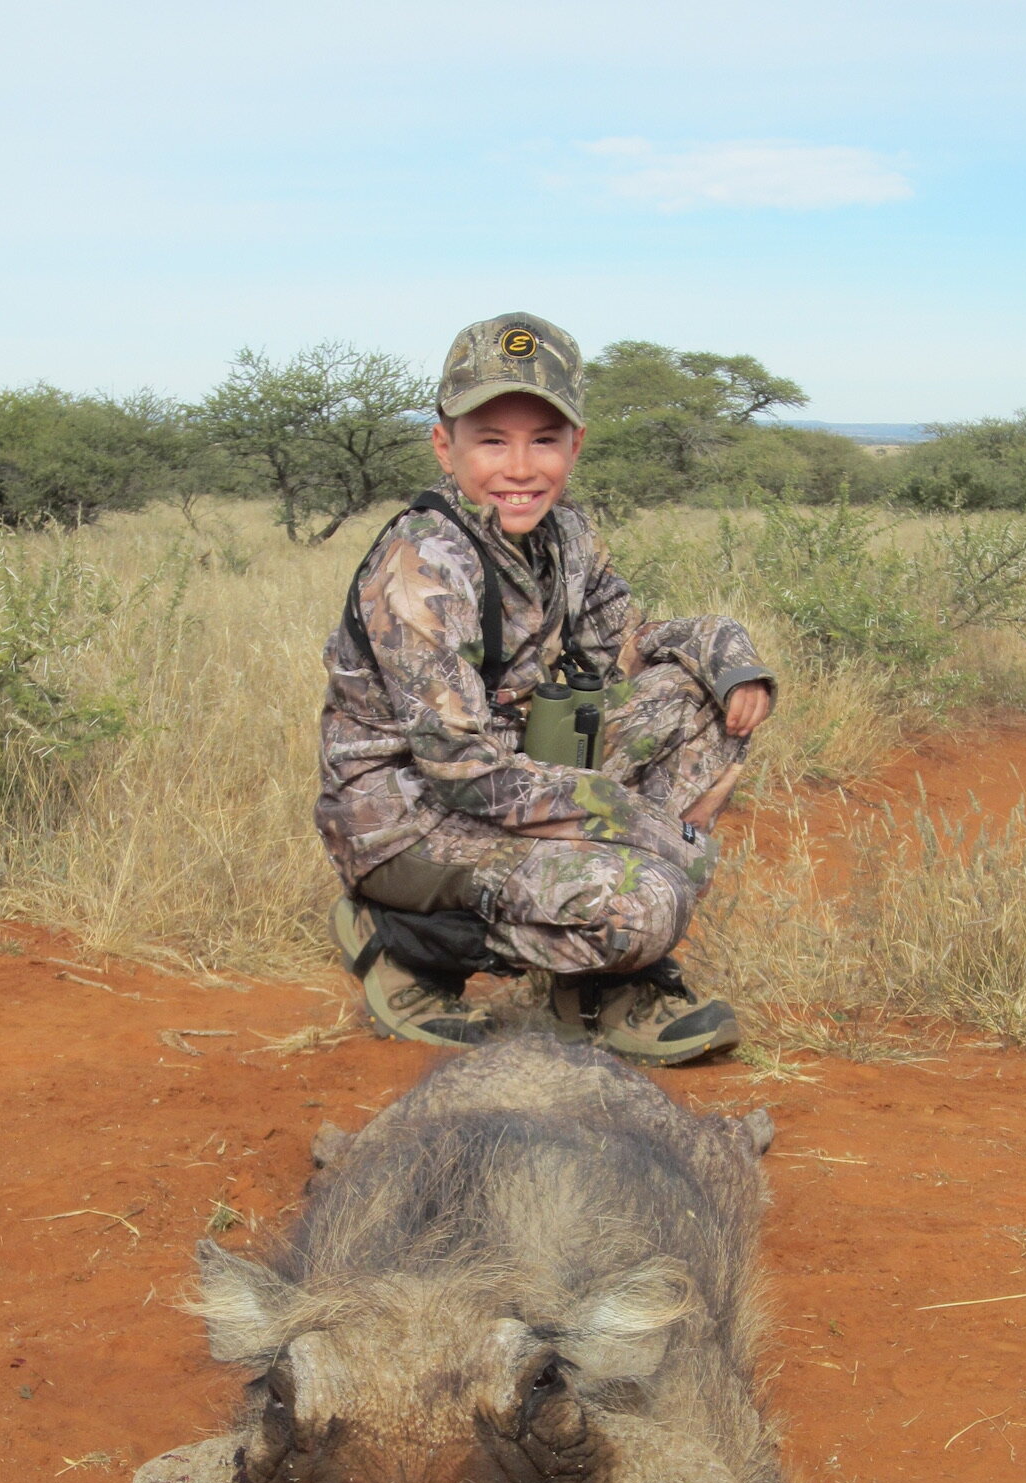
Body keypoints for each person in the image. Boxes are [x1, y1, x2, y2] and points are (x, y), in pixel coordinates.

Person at [315, 311, 775, 1063]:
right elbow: (462, 772)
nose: (520, 467)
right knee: (646, 901)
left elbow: (627, 639)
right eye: (491, 440)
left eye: (544, 440)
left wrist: (729, 657)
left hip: (511, 778)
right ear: (445, 444)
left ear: (576, 445)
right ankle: (401, 940)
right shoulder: (421, 565)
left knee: (697, 703)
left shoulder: (565, 535)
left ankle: (593, 975)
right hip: (408, 822)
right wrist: (643, 826)